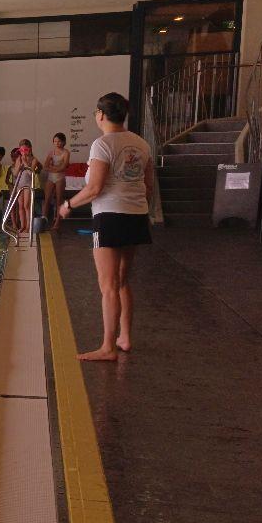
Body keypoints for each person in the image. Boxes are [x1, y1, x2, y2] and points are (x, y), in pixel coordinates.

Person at [58, 92, 153, 362]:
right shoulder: (141, 144)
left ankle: (108, 347)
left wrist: (68, 205)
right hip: (136, 216)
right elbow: (148, 186)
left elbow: (94, 188)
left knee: (108, 285)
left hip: (110, 217)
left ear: (100, 114)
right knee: (122, 281)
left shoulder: (102, 144)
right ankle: (125, 337)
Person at [43, 133, 71, 221]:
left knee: (59, 200)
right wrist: (56, 168)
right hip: (51, 177)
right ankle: (44, 219)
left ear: (63, 142)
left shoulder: (66, 152)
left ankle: (58, 221)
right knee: (47, 199)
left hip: (60, 178)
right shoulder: (51, 152)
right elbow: (45, 166)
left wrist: (52, 167)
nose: (57, 143)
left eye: (59, 141)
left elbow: (64, 166)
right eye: (55, 141)